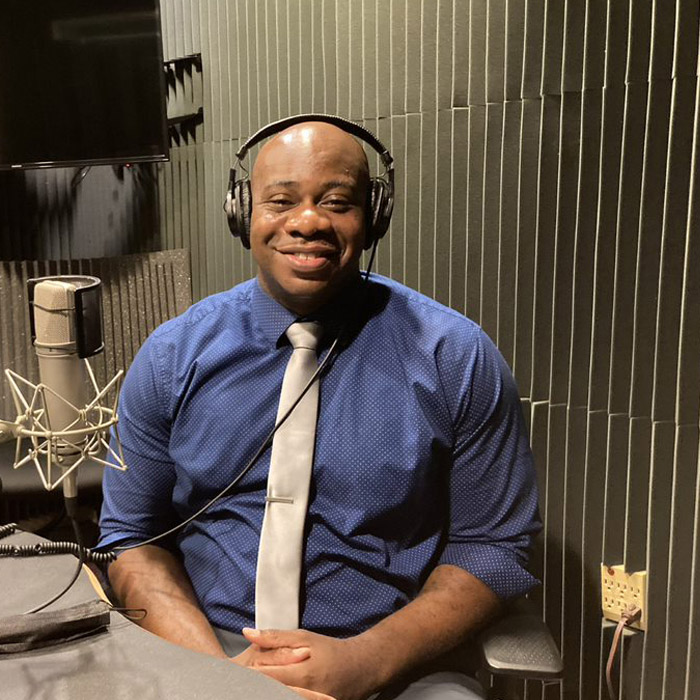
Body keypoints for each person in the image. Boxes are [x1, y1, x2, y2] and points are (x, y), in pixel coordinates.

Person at [99, 117, 541, 700]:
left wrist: (366, 661)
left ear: (373, 215)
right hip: (207, 651)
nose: (308, 222)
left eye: (336, 202)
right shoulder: (171, 356)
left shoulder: (454, 356)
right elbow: (132, 539)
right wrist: (219, 680)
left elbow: (495, 549)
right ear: (243, 213)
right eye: (280, 201)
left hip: (392, 663)